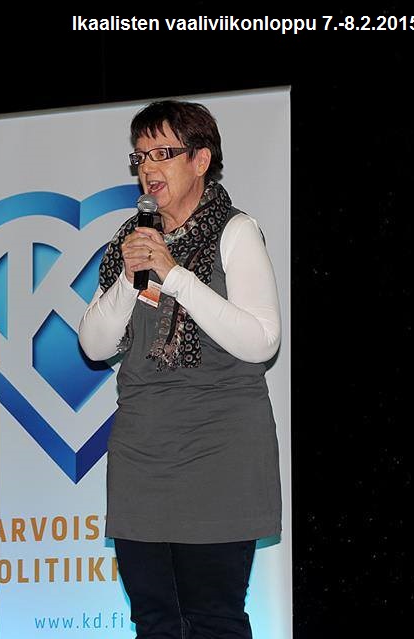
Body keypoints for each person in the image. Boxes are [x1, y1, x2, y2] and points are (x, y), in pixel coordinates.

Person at [77, 100, 281, 639]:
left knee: (212, 620)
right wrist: (131, 277)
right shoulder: (131, 241)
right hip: (141, 456)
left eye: (163, 153)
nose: (148, 167)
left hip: (219, 453)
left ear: (200, 160)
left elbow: (263, 340)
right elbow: (94, 344)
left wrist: (175, 275)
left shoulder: (236, 231)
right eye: (140, 155)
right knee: (154, 620)